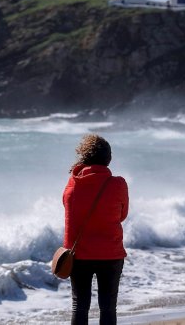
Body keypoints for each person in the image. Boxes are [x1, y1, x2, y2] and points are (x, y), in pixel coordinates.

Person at [63, 134, 129, 325]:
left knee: (79, 305)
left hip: (78, 255)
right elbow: (122, 215)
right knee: (108, 307)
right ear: (108, 159)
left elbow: (69, 210)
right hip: (110, 254)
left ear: (84, 157)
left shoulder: (72, 183)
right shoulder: (118, 184)